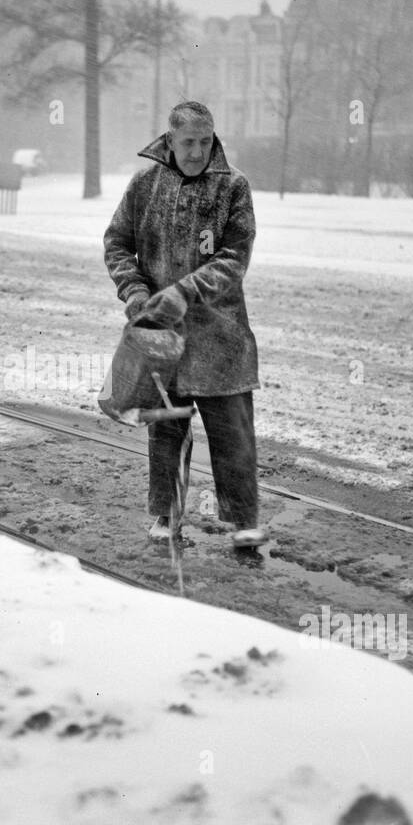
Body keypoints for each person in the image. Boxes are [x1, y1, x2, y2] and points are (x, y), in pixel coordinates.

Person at [103, 100, 267, 549]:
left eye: (204, 140)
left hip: (222, 336)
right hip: (162, 337)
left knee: (233, 433)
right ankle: (166, 514)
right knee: (167, 429)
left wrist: (183, 292)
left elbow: (234, 258)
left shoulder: (233, 188)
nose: (197, 151)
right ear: (170, 140)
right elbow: (117, 244)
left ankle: (243, 520)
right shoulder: (145, 185)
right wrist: (136, 294)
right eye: (188, 142)